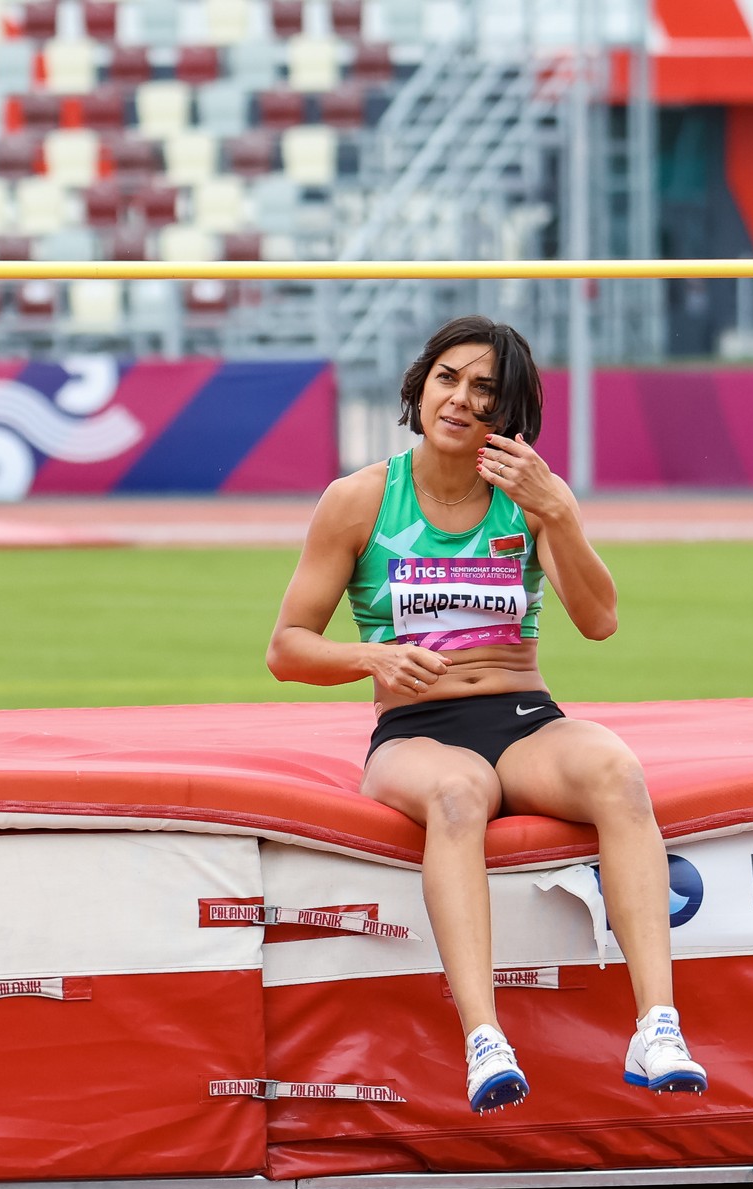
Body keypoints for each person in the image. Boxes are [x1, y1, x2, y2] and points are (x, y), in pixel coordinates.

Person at [266, 314, 707, 1114]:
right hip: (416, 730)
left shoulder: (529, 499)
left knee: (617, 771)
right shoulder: (360, 500)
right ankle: (483, 1037)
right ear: (419, 387)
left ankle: (657, 1026)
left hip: (524, 716)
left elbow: (600, 620)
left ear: (508, 414)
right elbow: (287, 647)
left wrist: (560, 512)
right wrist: (372, 658)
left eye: (484, 390)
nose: (461, 399)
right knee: (459, 792)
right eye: (448, 378)